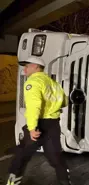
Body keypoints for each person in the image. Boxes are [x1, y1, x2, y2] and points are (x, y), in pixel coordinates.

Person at [6, 57, 71, 185]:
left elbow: (34, 106)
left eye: (27, 65)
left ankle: (12, 182)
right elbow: (64, 101)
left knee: (21, 154)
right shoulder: (52, 83)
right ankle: (65, 182)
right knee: (55, 157)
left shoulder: (33, 82)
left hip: (39, 124)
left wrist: (32, 127)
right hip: (53, 124)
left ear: (36, 67)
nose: (24, 68)